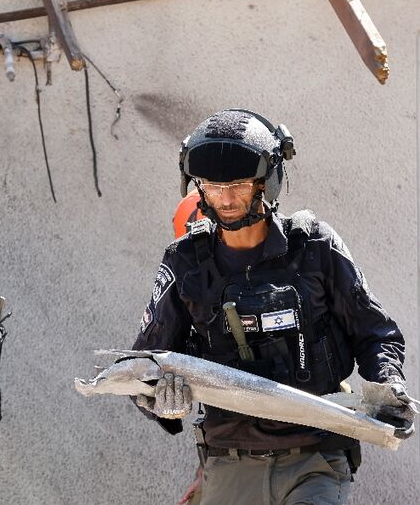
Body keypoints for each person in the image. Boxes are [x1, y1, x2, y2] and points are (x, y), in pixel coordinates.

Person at [132, 109, 414, 505]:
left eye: (240, 185)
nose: (226, 199)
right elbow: (145, 365)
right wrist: (160, 400)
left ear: (267, 182)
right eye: (213, 187)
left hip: (315, 458)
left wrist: (389, 384)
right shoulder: (184, 263)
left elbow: (375, 333)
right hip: (229, 463)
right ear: (196, 186)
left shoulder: (314, 246)